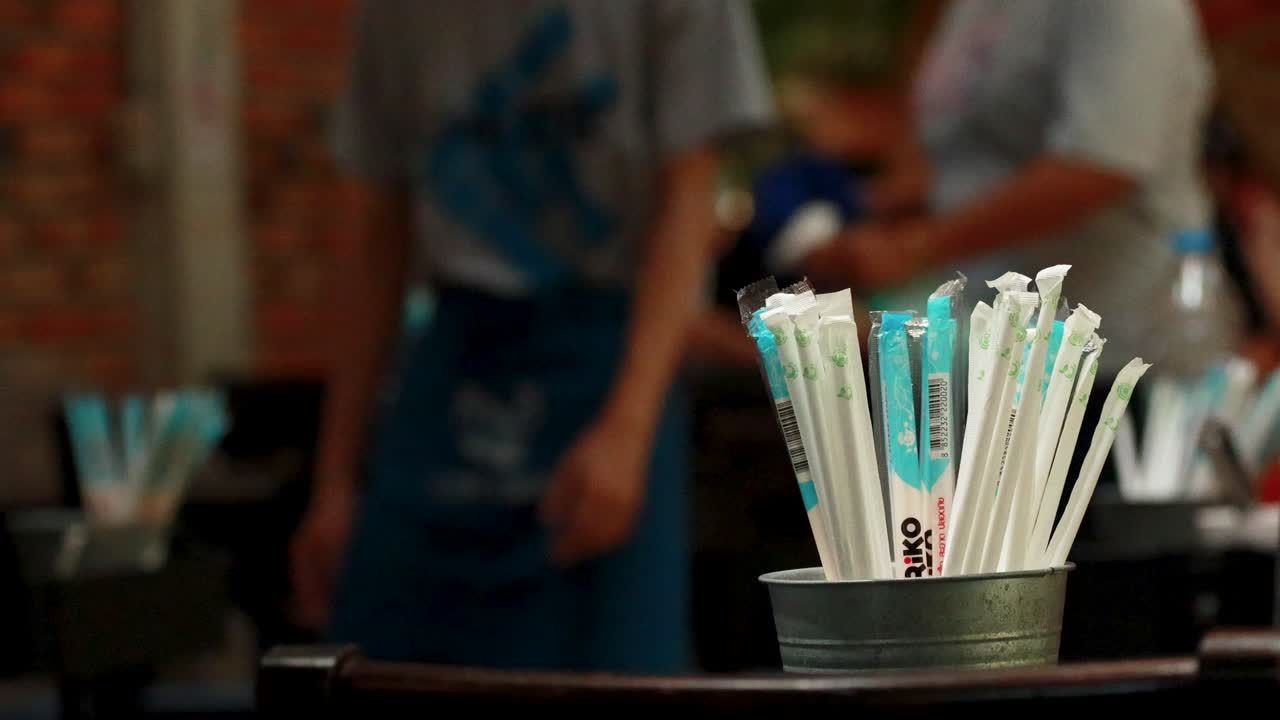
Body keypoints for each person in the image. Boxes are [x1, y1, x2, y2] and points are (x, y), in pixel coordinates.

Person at [289, 0, 772, 673]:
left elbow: (687, 199)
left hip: (610, 350)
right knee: (380, 670)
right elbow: (378, 229)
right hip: (456, 354)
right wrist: (335, 480)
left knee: (615, 680)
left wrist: (627, 431)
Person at [803, 0, 1244, 375]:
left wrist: (914, 248)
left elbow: (1102, 164)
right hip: (998, 342)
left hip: (1112, 355)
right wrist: (879, 213)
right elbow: (977, 159)